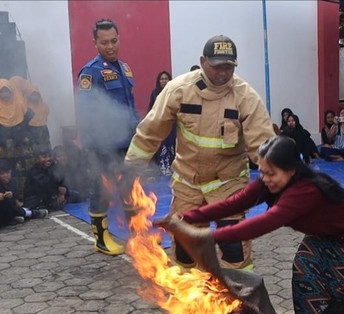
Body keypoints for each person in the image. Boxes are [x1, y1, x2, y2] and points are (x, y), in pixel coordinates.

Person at [159, 135, 344, 314]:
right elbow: (234, 203)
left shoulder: (304, 191)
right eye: (262, 172)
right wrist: (187, 216)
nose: (265, 178)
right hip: (324, 232)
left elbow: (265, 223)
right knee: (304, 268)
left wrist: (210, 237)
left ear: (292, 169)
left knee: (341, 287)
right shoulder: (269, 183)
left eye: (271, 173)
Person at [124, 34, 276, 270]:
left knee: (234, 249)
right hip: (188, 182)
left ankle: (239, 296)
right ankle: (190, 298)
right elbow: (151, 131)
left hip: (228, 184)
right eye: (217, 66)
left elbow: (263, 144)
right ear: (203, 61)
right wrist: (131, 168)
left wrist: (278, 179)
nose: (223, 73)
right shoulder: (179, 90)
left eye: (228, 67)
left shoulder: (246, 97)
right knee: (186, 247)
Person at [76, 19, 140, 255]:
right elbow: (86, 112)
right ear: (95, 43)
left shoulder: (124, 68)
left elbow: (129, 105)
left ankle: (136, 237)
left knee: (128, 189)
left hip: (126, 142)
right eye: (104, 42)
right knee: (101, 190)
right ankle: (101, 240)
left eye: (114, 41)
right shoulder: (90, 72)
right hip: (103, 145)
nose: (111, 46)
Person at [148, 71, 176, 175]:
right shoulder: (155, 93)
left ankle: (172, 166)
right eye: (162, 79)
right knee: (161, 145)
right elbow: (150, 109)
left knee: (171, 145)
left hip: (172, 124)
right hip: (159, 125)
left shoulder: (174, 92)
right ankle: (161, 166)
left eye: (166, 79)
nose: (164, 81)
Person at [23, 146, 67, 211]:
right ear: (37, 158)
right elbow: (46, 185)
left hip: (51, 199)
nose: (48, 159)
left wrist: (62, 192)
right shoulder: (34, 171)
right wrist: (58, 190)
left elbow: (62, 182)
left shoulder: (55, 167)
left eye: (50, 156)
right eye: (44, 157)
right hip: (36, 200)